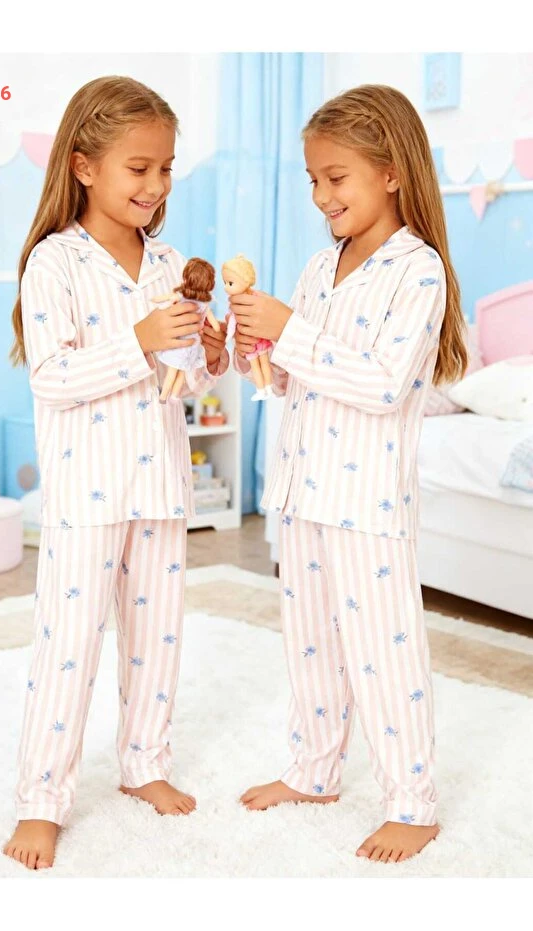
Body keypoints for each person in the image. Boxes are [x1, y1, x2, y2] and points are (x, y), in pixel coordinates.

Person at [230, 84, 467, 863]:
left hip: (366, 500)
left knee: (383, 650)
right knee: (311, 645)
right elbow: (291, 377)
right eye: (312, 179)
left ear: (391, 172)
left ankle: (412, 801)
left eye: (335, 177)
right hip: (302, 488)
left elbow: (383, 383)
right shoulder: (318, 266)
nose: (320, 195)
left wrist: (290, 332)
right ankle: (313, 769)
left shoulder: (416, 271)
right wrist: (253, 348)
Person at [3, 75, 228, 870]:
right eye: (139, 167)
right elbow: (52, 378)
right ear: (84, 165)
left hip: (160, 483)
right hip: (86, 490)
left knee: (156, 639)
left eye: (165, 168)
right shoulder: (54, 263)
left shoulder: (167, 261)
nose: (155, 184)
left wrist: (207, 353)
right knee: (68, 647)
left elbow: (182, 380)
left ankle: (144, 762)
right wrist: (138, 338)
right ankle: (41, 798)